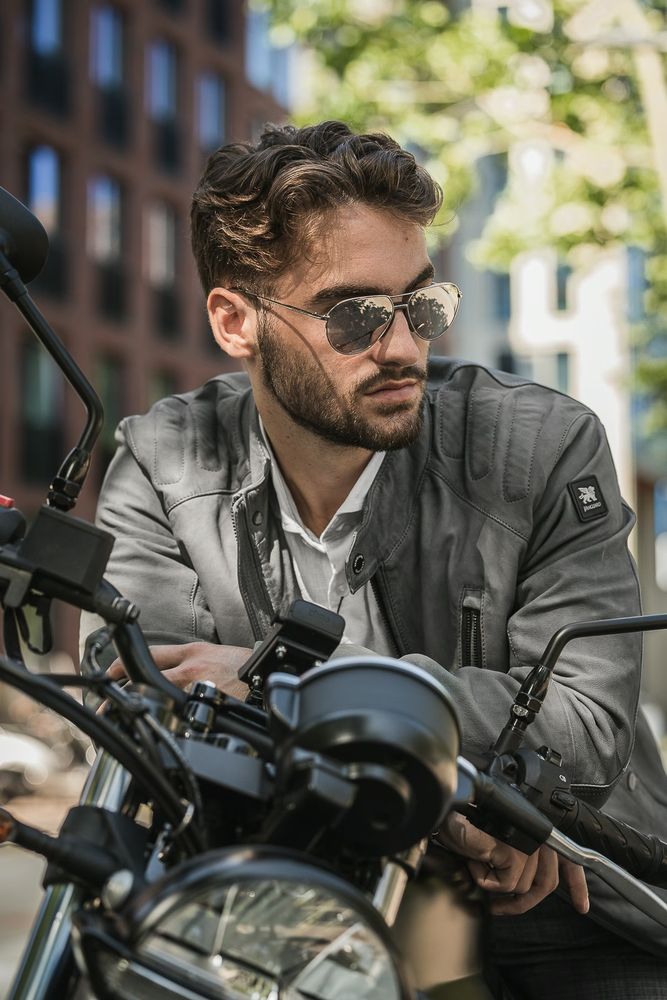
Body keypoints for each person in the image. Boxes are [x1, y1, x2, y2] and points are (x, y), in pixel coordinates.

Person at [84, 120, 667, 998]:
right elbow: (154, 712)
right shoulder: (166, 458)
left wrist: (288, 685)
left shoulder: (540, 445)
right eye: (353, 314)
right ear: (235, 320)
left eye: (421, 306)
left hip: (570, 891)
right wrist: (440, 815)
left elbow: (581, 729)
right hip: (313, 902)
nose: (401, 346)